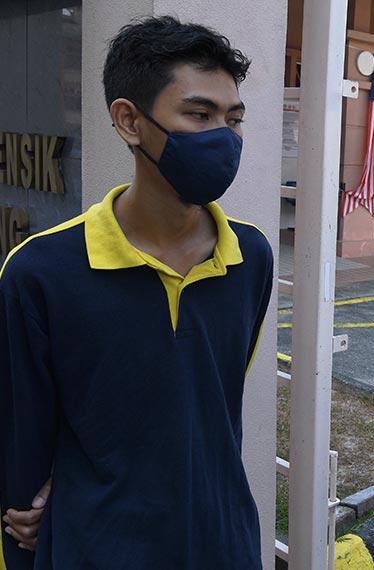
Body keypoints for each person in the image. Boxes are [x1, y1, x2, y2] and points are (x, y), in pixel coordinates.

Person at [0, 16, 273, 570]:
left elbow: (205, 407)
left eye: (234, 119)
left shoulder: (250, 258)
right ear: (129, 121)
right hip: (96, 548)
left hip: (224, 543)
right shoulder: (41, 272)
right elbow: (21, 448)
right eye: (199, 114)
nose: (223, 137)